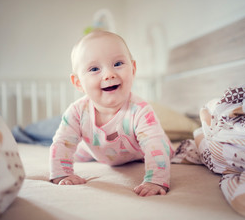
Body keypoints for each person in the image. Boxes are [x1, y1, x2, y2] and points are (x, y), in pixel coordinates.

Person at [49, 30, 174, 197]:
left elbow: (154, 145)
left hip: (136, 152)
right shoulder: (77, 112)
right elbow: (63, 142)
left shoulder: (140, 111)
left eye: (117, 64)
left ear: (133, 69)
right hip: (95, 148)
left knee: (166, 149)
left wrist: (156, 180)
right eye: (94, 68)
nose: (109, 74)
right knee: (76, 150)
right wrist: (62, 173)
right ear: (78, 83)